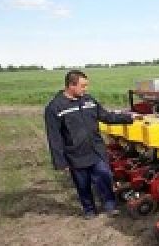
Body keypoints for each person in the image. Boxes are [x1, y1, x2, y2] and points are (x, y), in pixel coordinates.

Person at [44, 70, 137, 219]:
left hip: (96, 149)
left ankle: (109, 205)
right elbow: (54, 137)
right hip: (75, 154)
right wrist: (60, 161)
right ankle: (89, 210)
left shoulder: (89, 101)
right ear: (71, 85)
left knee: (105, 175)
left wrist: (129, 118)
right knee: (82, 184)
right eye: (83, 86)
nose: (85, 89)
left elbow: (106, 116)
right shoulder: (55, 107)